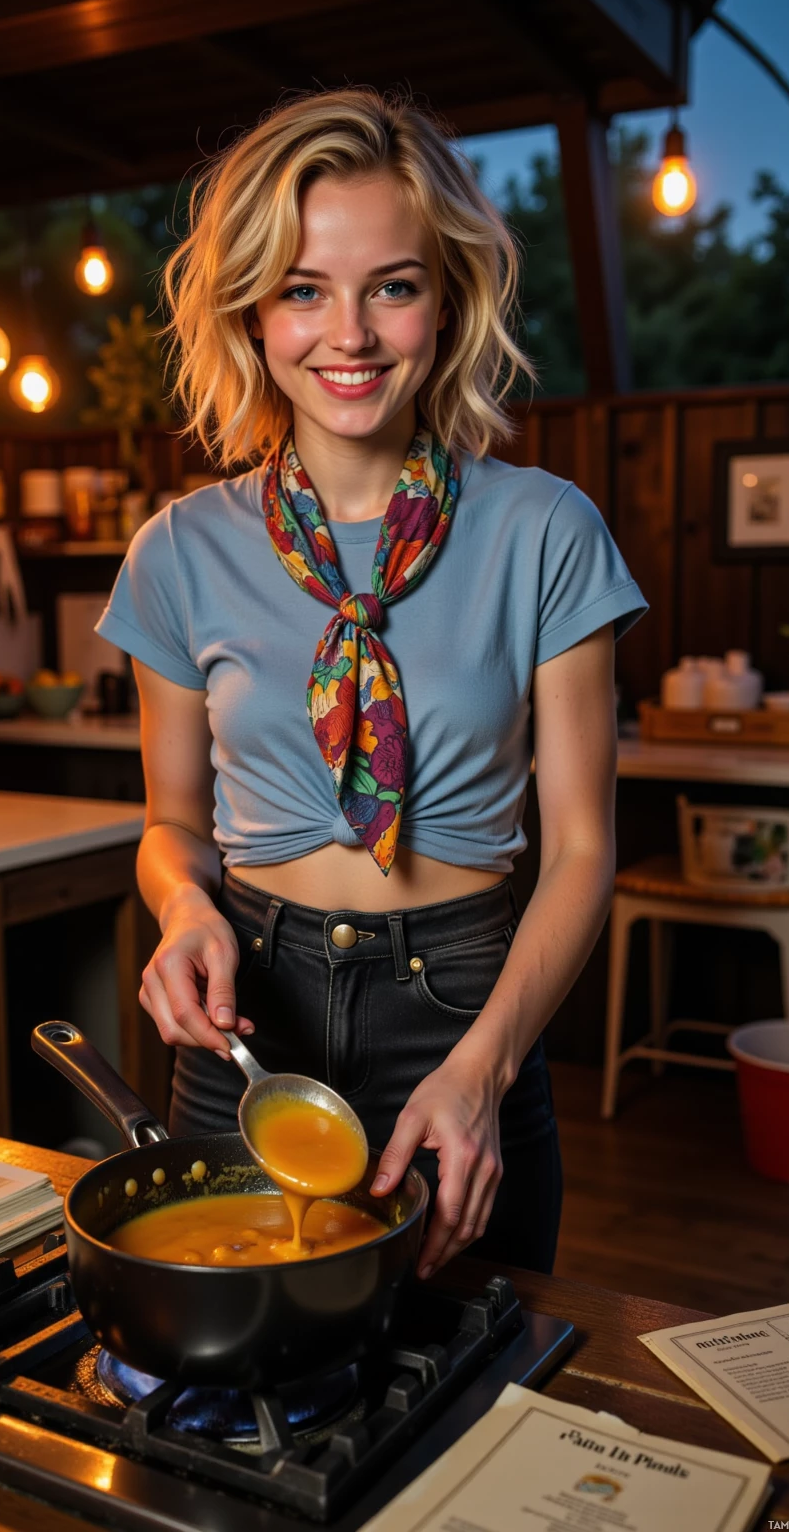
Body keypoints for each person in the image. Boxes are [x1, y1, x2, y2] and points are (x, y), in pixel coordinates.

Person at [97, 88, 647, 1279]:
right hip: (250, 1022)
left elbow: (582, 852)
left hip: (463, 1009)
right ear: (250, 311)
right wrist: (186, 913)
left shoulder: (547, 532)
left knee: (473, 1394)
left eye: (391, 285)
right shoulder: (177, 553)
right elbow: (173, 826)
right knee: (238, 1394)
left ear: (445, 302)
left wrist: (482, 1069)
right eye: (303, 289)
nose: (347, 333)